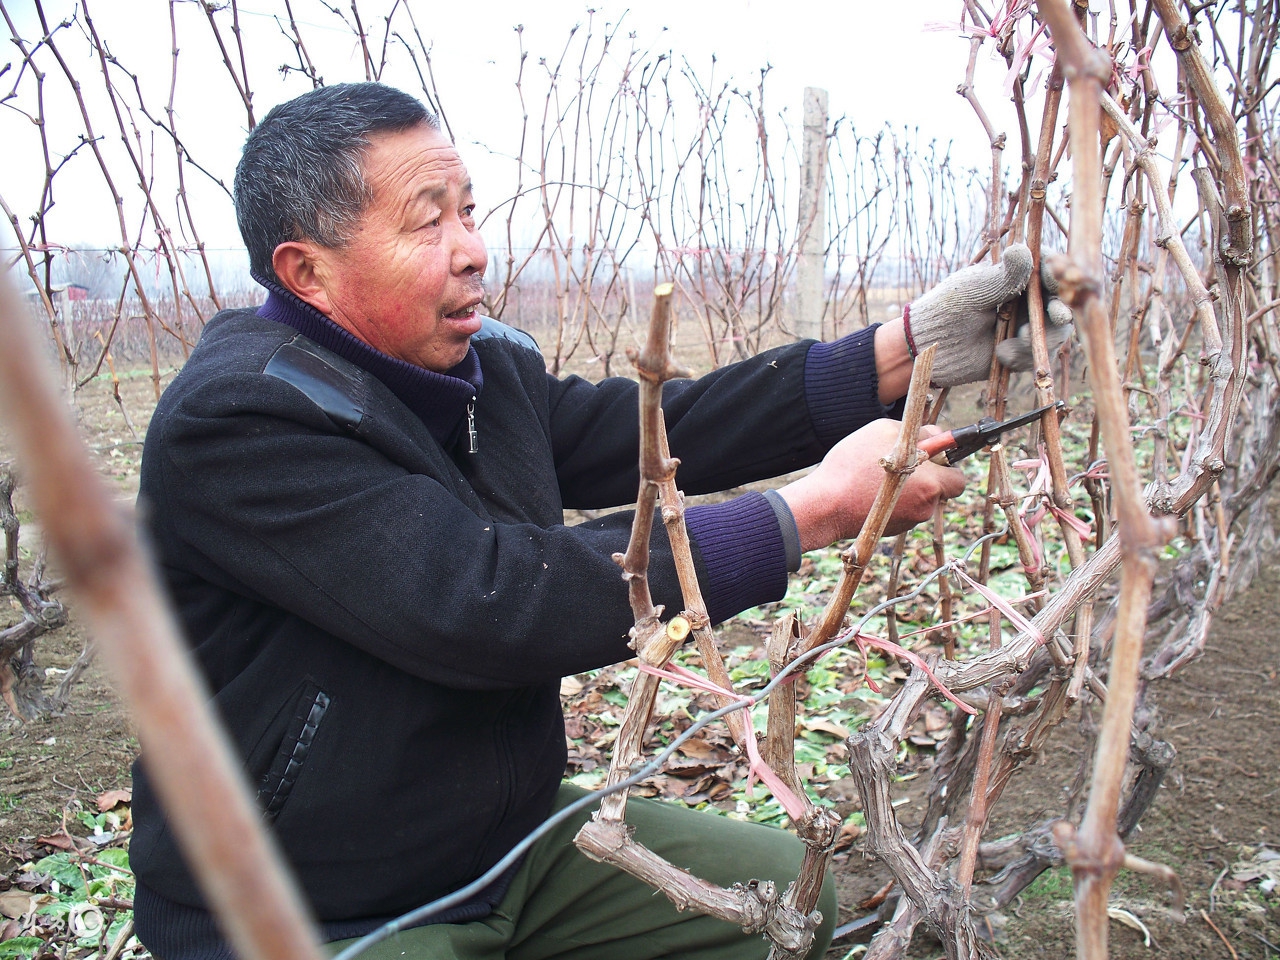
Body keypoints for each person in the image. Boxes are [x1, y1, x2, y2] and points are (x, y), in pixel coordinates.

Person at [128, 82, 1056, 960]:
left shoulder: (474, 371)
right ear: (307, 271)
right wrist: (811, 513)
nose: (471, 248)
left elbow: (657, 430)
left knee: (789, 900)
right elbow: (488, 602)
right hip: (312, 902)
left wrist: (895, 355)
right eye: (426, 220)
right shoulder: (241, 421)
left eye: (468, 210)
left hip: (501, 844)